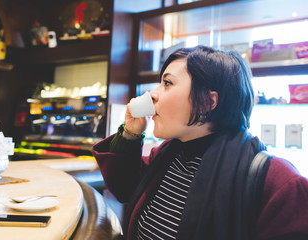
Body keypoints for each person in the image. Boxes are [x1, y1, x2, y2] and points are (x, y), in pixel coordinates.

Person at [92, 45, 308, 240]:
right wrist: (130, 133)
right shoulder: (169, 154)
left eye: (167, 83)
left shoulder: (279, 183)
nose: (152, 95)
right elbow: (124, 187)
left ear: (208, 102)